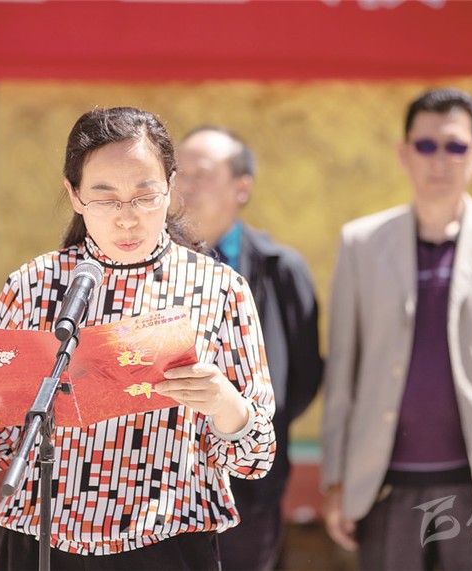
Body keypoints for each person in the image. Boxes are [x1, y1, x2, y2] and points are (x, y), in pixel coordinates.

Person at [0, 107, 276, 570]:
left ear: (171, 186)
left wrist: (224, 403)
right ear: (74, 195)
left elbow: (256, 455)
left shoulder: (219, 289)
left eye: (145, 196)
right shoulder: (33, 286)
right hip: (41, 539)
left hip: (167, 543)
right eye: (106, 199)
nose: (127, 219)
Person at [321, 88, 472, 570]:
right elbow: (343, 375)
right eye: (426, 145)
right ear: (404, 153)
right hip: (384, 486)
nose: (440, 160)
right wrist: (335, 479)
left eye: (455, 146)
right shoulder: (361, 244)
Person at [176, 125, 324, 571]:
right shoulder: (144, 263)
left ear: (242, 188)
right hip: (160, 482)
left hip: (249, 485)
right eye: (178, 173)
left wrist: (247, 424)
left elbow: (302, 377)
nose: (186, 186)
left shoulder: (281, 269)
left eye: (202, 174)